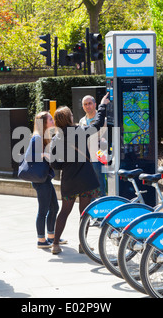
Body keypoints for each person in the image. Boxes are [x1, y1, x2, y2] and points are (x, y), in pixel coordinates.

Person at [48, 93, 109, 254]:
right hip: (85, 178)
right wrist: (102, 105)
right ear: (69, 118)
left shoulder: (56, 138)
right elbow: (97, 124)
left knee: (64, 211)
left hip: (69, 179)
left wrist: (65, 165)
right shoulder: (80, 131)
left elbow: (53, 163)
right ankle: (83, 245)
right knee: (84, 212)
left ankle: (55, 244)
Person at [27, 111, 60, 249]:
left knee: (54, 207)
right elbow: (29, 156)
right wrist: (44, 154)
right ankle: (41, 240)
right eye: (50, 119)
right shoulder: (37, 138)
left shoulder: (44, 137)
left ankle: (51, 236)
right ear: (44, 123)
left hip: (45, 178)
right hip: (40, 180)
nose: (53, 121)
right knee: (43, 210)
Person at [78, 95, 107, 197]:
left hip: (98, 155)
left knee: (100, 181)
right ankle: (92, 205)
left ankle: (102, 202)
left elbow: (105, 137)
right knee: (88, 183)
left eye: (89, 103)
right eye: (85, 104)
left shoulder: (103, 120)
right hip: (86, 157)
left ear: (95, 104)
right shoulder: (82, 121)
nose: (87, 106)